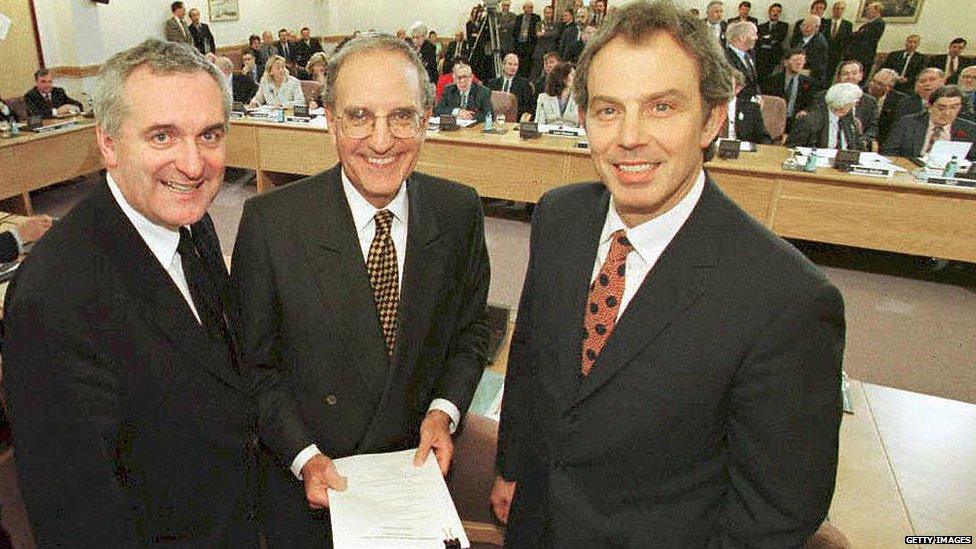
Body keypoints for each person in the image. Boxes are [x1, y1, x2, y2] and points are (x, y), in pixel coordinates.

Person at [491, 2, 844, 546]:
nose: (630, 137)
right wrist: (512, 466)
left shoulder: (789, 300)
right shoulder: (560, 216)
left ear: (712, 118)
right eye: (608, 110)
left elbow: (775, 515)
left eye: (661, 107)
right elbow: (532, 358)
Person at [231, 32, 490, 547]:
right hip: (312, 488)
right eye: (359, 116)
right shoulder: (270, 223)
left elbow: (471, 333)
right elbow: (254, 367)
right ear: (330, 120)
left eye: (401, 116)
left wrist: (445, 410)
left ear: (425, 119)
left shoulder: (459, 211)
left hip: (417, 489)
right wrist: (303, 456)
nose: (381, 140)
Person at [3, 37, 258, 548]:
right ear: (108, 143)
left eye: (209, 135)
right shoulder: (54, 298)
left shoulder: (191, 223)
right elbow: (78, 515)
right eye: (162, 136)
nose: (193, 164)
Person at [882, 85, 976, 160]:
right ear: (930, 106)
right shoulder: (907, 123)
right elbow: (888, 152)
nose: (947, 113)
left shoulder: (970, 129)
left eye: (954, 107)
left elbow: (973, 159)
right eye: (941, 108)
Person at [787, 82, 867, 150]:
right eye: (852, 103)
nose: (854, 106)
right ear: (843, 105)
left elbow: (859, 147)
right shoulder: (810, 121)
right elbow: (791, 148)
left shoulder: (848, 118)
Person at [761, 48, 819, 132]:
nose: (799, 63)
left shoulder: (810, 83)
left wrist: (805, 111)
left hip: (796, 123)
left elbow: (812, 103)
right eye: (795, 60)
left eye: (802, 61)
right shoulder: (772, 81)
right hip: (774, 120)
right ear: (786, 63)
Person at [724, 70, 772, 143]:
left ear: (738, 88)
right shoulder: (709, 106)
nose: (723, 88)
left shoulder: (751, 108)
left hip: (743, 151)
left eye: (728, 84)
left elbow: (764, 137)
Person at [487, 53, 536, 121]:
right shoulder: (492, 83)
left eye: (515, 65)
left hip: (516, 120)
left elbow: (529, 108)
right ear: (503, 65)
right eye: (510, 64)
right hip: (495, 119)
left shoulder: (524, 84)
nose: (513, 67)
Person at [843, 1, 885, 79]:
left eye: (868, 10)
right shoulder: (867, 24)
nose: (866, 12)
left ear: (876, 11)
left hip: (863, 58)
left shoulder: (878, 23)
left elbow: (862, 37)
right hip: (857, 57)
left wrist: (851, 35)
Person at [866, 68, 906, 143]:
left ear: (889, 87)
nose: (873, 85)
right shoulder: (860, 93)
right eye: (873, 81)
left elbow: (895, 128)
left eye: (879, 83)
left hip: (884, 141)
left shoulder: (900, 101)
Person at [725, 21, 760, 102]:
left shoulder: (748, 55)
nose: (756, 38)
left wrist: (758, 96)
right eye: (753, 34)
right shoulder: (726, 57)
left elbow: (754, 81)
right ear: (742, 37)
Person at [534, 61, 578, 127]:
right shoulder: (543, 98)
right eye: (572, 75)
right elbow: (539, 124)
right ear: (563, 77)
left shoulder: (578, 99)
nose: (575, 78)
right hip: (549, 135)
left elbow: (582, 125)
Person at [791, 15, 829, 87]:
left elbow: (817, 67)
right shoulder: (798, 36)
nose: (804, 28)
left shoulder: (820, 43)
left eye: (808, 26)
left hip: (809, 78)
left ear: (817, 28)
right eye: (803, 25)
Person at [756, 3, 789, 78]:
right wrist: (769, 39)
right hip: (762, 54)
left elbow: (779, 38)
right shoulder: (761, 26)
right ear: (769, 12)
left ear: (780, 13)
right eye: (773, 11)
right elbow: (759, 39)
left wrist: (765, 38)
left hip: (775, 53)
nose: (775, 13)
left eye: (778, 11)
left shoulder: (784, 25)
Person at [822, 1, 852, 80]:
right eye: (837, 8)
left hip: (837, 56)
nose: (839, 10)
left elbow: (848, 41)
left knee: (831, 76)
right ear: (833, 9)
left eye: (841, 8)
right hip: (823, 54)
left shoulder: (848, 25)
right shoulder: (825, 22)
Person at [514, 1, 542, 78]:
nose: (531, 9)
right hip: (519, 45)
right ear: (524, 8)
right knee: (518, 63)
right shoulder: (519, 17)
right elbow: (515, 31)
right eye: (529, 7)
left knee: (527, 65)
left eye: (532, 7)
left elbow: (538, 30)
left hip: (529, 45)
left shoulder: (536, 18)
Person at [531, 4, 559, 80]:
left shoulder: (555, 24)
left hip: (550, 50)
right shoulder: (539, 23)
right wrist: (548, 33)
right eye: (546, 12)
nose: (548, 15)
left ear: (552, 13)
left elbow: (555, 34)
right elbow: (538, 34)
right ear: (544, 13)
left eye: (549, 13)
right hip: (539, 50)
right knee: (536, 71)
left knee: (550, 71)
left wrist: (544, 34)